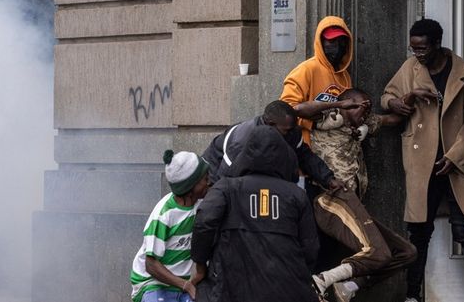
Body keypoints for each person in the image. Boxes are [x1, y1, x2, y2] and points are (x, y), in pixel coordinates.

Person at [381, 18, 464, 302]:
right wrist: (407, 97)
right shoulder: (411, 69)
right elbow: (387, 98)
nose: (417, 54)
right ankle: (412, 295)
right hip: (422, 163)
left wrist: (456, 156)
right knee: (419, 231)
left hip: (457, 163)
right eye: (413, 49)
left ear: (436, 43)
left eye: (422, 48)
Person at [303, 88, 423, 302]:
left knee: (407, 252)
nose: (365, 113)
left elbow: (393, 119)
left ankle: (349, 286)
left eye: (368, 109)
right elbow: (297, 110)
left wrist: (410, 96)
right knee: (377, 251)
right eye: (361, 108)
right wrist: (339, 105)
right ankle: (321, 280)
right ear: (349, 105)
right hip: (332, 198)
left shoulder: (363, 122)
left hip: (353, 202)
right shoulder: (331, 117)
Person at [191, 125, 319, 302]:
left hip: (231, 289)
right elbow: (310, 249)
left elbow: (204, 222)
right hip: (288, 291)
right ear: (284, 157)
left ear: (245, 156)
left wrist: (200, 265)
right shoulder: (297, 195)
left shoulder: (226, 188)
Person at [201, 100, 344, 192]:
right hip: (214, 173)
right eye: (287, 130)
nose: (291, 134)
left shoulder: (290, 131)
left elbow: (305, 156)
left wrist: (328, 179)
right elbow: (223, 181)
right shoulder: (243, 139)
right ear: (270, 125)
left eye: (293, 128)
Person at [130, 150, 210, 302]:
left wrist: (197, 274)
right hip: (152, 284)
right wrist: (186, 285)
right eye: (205, 179)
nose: (209, 182)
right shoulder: (164, 215)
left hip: (181, 283)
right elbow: (151, 264)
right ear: (191, 186)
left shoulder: (202, 204)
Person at [281, 15, 354, 145]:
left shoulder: (344, 76)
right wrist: (314, 124)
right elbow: (285, 111)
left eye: (341, 41)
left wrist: (356, 125)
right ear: (321, 42)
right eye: (331, 42)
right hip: (309, 148)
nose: (337, 48)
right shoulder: (306, 69)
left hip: (337, 150)